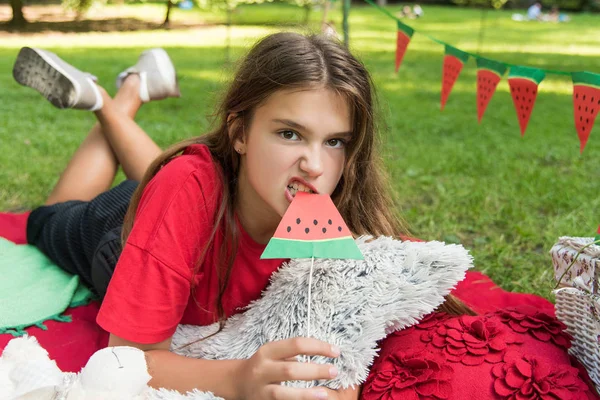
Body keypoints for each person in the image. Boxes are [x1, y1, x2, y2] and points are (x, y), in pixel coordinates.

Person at [13, 32, 473, 398]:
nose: (315, 164)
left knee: (186, 180)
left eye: (335, 141)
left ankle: (129, 91)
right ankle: (105, 98)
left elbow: (382, 291)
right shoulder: (184, 191)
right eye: (290, 133)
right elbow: (130, 357)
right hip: (116, 235)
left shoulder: (334, 207)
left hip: (195, 200)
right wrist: (238, 381)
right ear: (239, 131)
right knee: (50, 216)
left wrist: (344, 377)